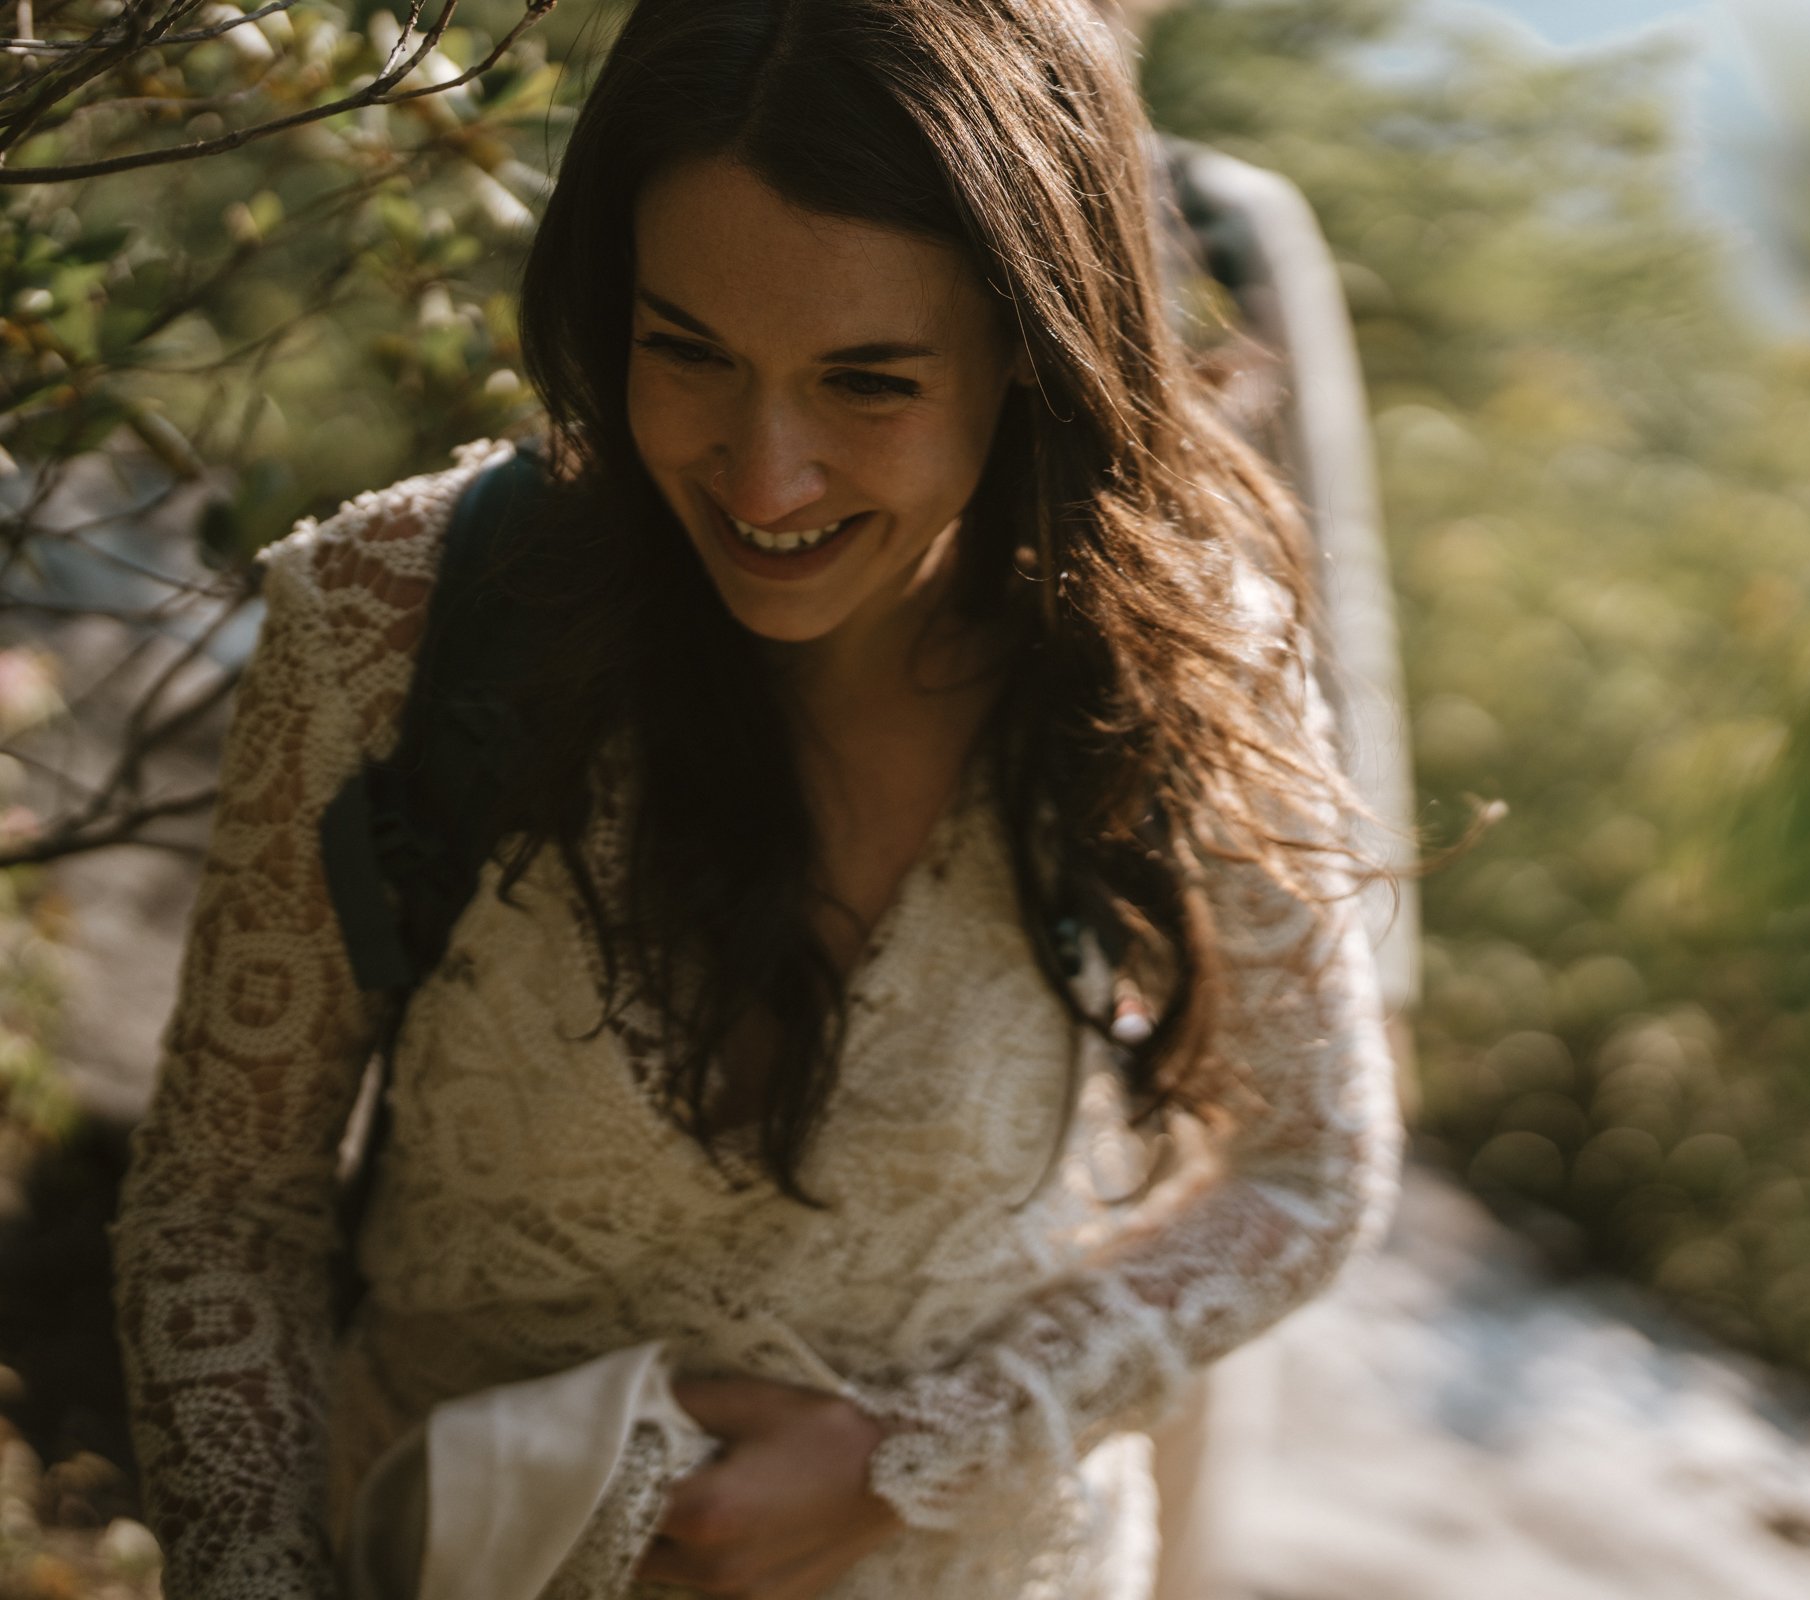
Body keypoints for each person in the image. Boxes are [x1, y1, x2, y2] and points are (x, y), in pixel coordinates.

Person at [107, 0, 1401, 1593]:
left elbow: (1309, 1167)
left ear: (1032, 345)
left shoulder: (1172, 649)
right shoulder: (394, 622)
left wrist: (919, 1457)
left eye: (868, 383)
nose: (763, 477)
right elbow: (221, 1212)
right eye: (687, 352)